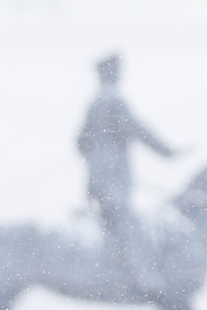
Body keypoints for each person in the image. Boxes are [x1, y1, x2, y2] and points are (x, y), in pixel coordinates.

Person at [78, 53, 178, 294]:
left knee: (115, 222)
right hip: (111, 177)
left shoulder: (95, 102)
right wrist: (167, 151)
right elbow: (138, 129)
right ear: (108, 72)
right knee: (127, 222)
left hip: (100, 175)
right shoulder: (112, 100)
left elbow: (79, 141)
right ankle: (142, 277)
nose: (119, 73)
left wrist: (97, 156)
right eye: (116, 69)